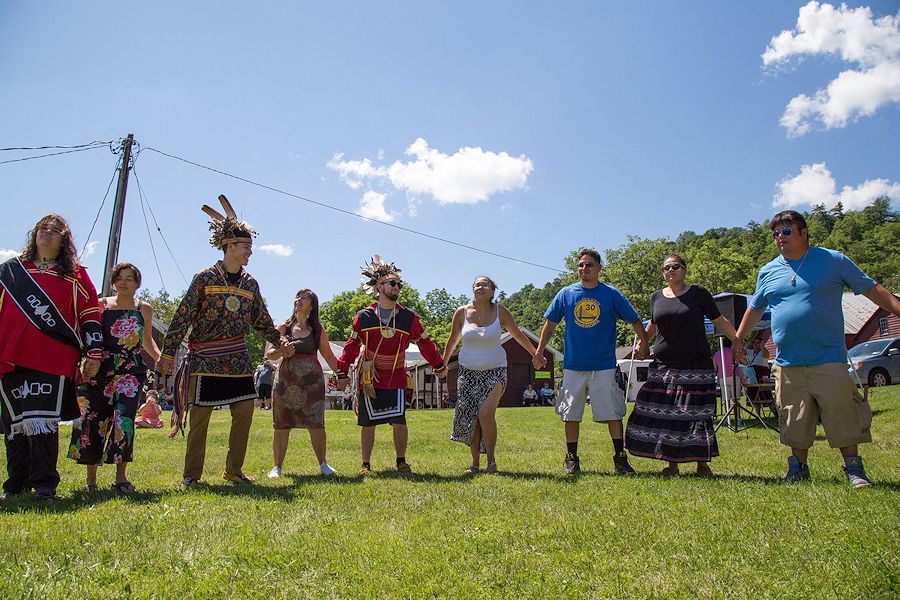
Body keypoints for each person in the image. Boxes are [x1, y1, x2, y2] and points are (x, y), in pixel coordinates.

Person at [737, 210, 900, 488]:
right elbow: (755, 308)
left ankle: (854, 468)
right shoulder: (768, 271)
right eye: (775, 233)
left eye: (786, 231)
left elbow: (873, 290)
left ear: (803, 232)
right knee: (793, 417)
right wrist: (738, 339)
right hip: (788, 362)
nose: (780, 237)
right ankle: (798, 468)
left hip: (828, 358)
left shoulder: (832, 261)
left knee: (842, 413)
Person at [156, 195, 293, 488]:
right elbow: (182, 317)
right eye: (245, 247)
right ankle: (191, 477)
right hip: (206, 357)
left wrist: (279, 341)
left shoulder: (250, 284)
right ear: (229, 246)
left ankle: (234, 470)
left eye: (250, 248)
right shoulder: (204, 278)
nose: (249, 253)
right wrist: (168, 354)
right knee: (201, 417)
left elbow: (261, 319)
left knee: (244, 411)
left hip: (238, 358)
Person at [0, 214, 103, 500]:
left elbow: (90, 314)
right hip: (9, 356)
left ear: (64, 240)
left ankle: (45, 484)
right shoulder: (10, 272)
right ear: (34, 234)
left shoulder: (75, 275)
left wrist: (93, 352)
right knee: (16, 424)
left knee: (43, 421)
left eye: (55, 230)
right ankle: (15, 484)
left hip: (53, 357)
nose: (46, 232)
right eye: (42, 228)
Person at [624, 254, 745, 477]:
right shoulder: (656, 297)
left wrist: (737, 341)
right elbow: (652, 326)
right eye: (666, 268)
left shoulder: (699, 294)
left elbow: (719, 320)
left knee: (695, 414)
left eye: (675, 266)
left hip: (695, 365)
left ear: (684, 269)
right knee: (665, 414)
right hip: (664, 366)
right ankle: (671, 464)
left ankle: (702, 464)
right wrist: (642, 345)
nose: (670, 270)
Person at [533, 248, 650, 475]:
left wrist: (643, 343)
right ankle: (571, 459)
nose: (584, 269)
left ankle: (620, 458)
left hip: (604, 365)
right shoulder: (566, 294)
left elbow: (635, 319)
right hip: (573, 366)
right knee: (570, 413)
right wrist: (539, 351)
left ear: (599, 269)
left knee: (613, 413)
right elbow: (549, 324)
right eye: (581, 265)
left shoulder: (611, 294)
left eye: (589, 265)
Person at [335, 256, 447, 474]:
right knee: (368, 421)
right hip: (370, 374)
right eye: (392, 283)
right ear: (379, 286)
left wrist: (439, 364)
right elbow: (351, 346)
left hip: (396, 374)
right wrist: (342, 371)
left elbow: (425, 342)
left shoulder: (408, 318)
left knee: (399, 419)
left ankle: (401, 461)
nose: (397, 287)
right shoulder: (364, 317)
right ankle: (365, 464)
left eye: (399, 284)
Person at [68, 262, 161, 493]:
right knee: (93, 419)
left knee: (125, 421)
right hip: (99, 369)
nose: (124, 282)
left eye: (129, 278)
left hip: (131, 371)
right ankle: (91, 482)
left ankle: (121, 478)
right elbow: (87, 335)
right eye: (120, 277)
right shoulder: (100, 306)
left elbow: (147, 341)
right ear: (113, 281)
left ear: (137, 283)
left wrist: (161, 359)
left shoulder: (144, 309)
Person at [442, 276, 537, 474]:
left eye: (485, 284)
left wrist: (535, 353)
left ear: (493, 291)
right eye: (477, 284)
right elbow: (452, 340)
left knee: (485, 414)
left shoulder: (501, 312)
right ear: (473, 290)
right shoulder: (461, 312)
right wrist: (442, 363)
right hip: (467, 373)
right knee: (473, 418)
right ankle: (475, 463)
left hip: (496, 371)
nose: (481, 287)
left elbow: (518, 334)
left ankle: (491, 462)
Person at [265, 289, 341, 478]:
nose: (299, 300)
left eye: (304, 298)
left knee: (316, 423)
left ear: (312, 305)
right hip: (285, 381)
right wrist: (281, 350)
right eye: (297, 297)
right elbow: (269, 354)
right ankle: (277, 467)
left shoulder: (318, 330)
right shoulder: (284, 327)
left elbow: (329, 356)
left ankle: (323, 464)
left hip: (312, 383)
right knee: (282, 424)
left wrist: (342, 373)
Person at [712, 339, 742, 408]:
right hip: (734, 376)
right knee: (736, 398)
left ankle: (728, 416)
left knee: (726, 399)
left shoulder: (717, 354)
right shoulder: (733, 352)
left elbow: (715, 368)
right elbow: (739, 361)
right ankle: (738, 416)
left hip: (723, 377)